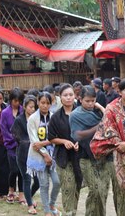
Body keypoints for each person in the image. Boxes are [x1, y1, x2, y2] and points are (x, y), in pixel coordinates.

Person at [98, 78, 125, 215]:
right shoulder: (111, 108)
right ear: (120, 92)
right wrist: (121, 144)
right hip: (117, 155)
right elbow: (108, 130)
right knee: (122, 192)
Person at [70, 85, 108, 216]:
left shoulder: (97, 111)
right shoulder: (75, 115)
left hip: (102, 156)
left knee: (102, 192)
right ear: (80, 99)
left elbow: (108, 121)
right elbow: (78, 135)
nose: (91, 103)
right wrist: (98, 126)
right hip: (85, 156)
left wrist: (101, 108)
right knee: (95, 189)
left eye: (93, 100)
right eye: (87, 101)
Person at [48, 84, 81, 216]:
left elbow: (89, 133)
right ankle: (68, 213)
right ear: (60, 98)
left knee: (77, 186)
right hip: (63, 157)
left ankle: (73, 212)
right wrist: (64, 141)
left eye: (70, 95)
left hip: (80, 156)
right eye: (65, 95)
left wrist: (80, 142)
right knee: (68, 187)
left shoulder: (81, 113)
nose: (68, 98)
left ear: (75, 97)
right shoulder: (56, 117)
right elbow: (51, 137)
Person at [27, 92, 59, 216]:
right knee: (44, 184)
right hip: (38, 156)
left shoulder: (54, 117)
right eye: (42, 103)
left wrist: (45, 143)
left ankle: (52, 203)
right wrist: (45, 154)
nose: (45, 106)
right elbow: (34, 141)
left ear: (51, 104)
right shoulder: (32, 119)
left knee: (57, 182)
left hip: (54, 155)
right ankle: (47, 211)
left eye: (47, 103)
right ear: (38, 102)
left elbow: (57, 136)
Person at [11, 95, 40, 215]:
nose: (32, 109)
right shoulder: (19, 120)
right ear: (24, 107)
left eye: (34, 107)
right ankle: (29, 205)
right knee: (27, 179)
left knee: (38, 181)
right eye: (30, 107)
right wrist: (26, 142)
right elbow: (15, 134)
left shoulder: (37, 119)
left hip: (36, 153)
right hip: (22, 153)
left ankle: (29, 198)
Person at [0, 88, 25, 204]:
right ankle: (11, 190)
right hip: (11, 146)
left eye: (19, 101)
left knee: (21, 171)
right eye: (15, 101)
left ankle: (21, 194)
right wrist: (14, 141)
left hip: (23, 146)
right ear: (10, 100)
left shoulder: (23, 111)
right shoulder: (5, 113)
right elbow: (4, 130)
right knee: (13, 170)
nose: (17, 103)